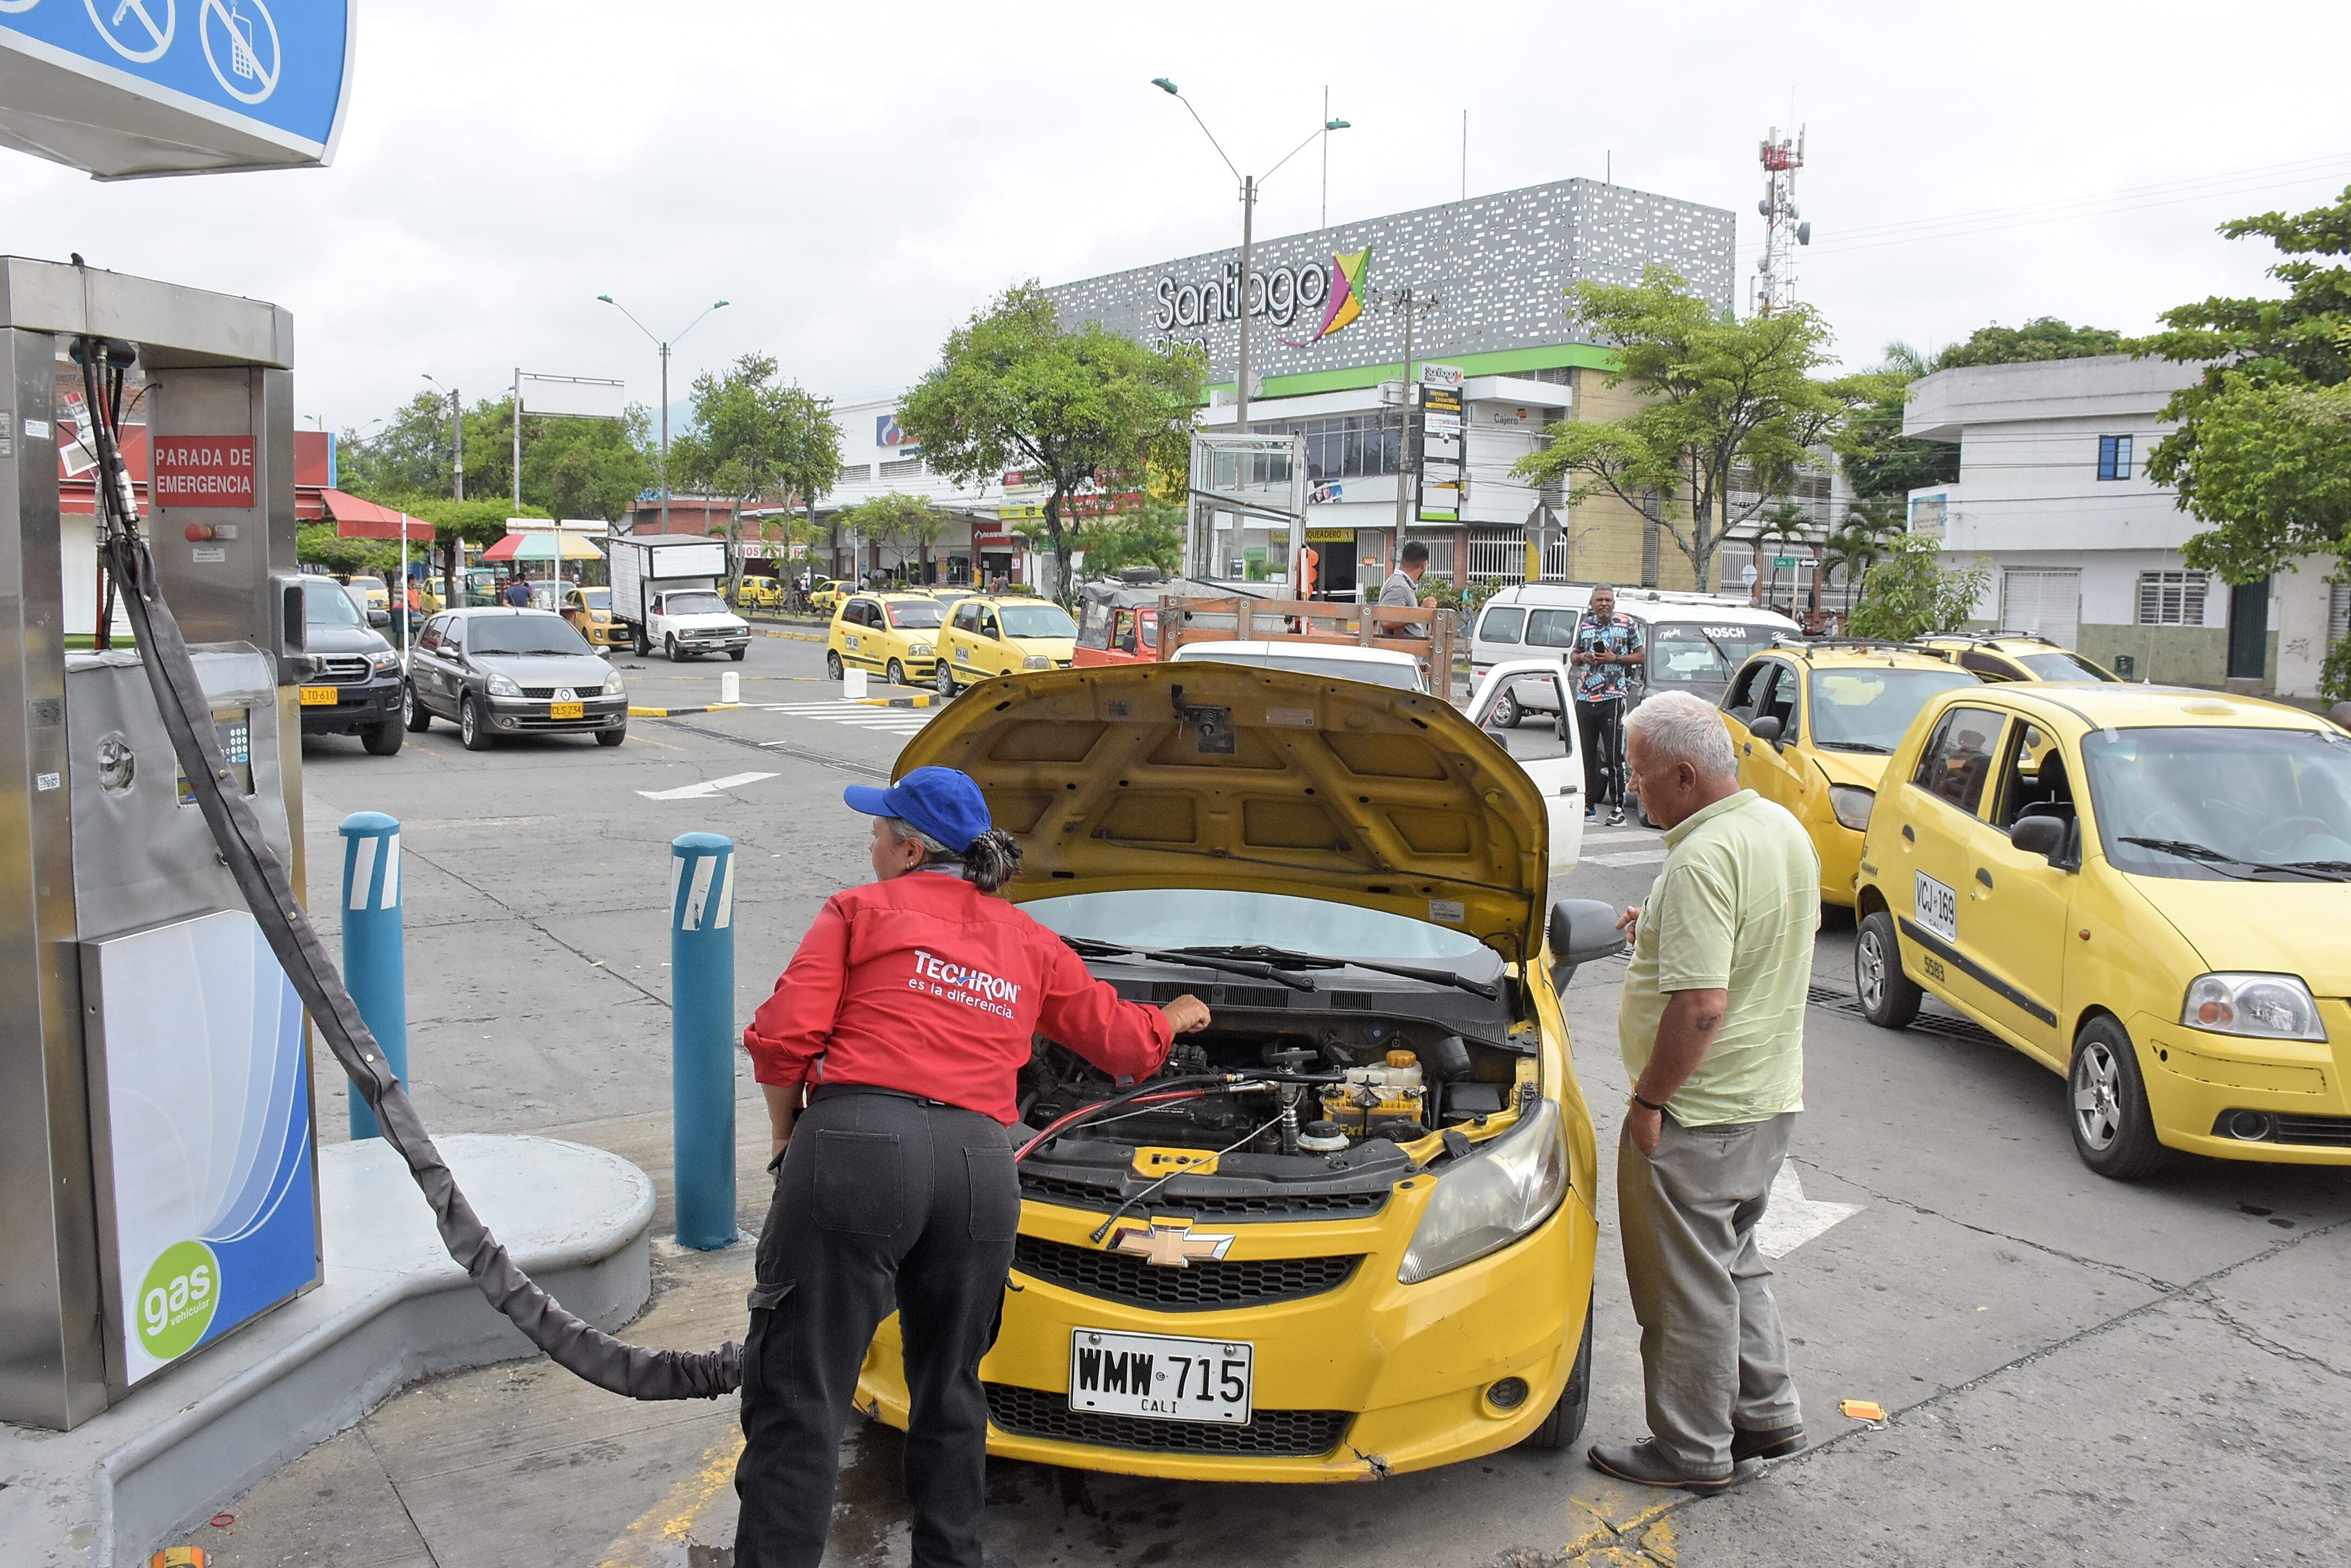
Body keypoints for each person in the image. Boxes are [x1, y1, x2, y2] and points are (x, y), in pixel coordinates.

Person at [735, 766, 1211, 1568]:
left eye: (881, 832)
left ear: (912, 849)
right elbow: (1122, 1044)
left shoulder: (860, 909)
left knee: (802, 1396)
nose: (872, 842)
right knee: (951, 1392)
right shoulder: (1028, 940)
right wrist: (1172, 1018)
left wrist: (786, 1135)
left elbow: (784, 1037)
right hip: (978, 1172)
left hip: (857, 1149)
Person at [1590, 692, 1819, 1495]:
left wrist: (1649, 1103)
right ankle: (1766, 1410)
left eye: (1640, 775)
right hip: (1765, 1099)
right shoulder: (1777, 830)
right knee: (1733, 1262)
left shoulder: (1699, 859)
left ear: (1685, 776)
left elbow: (1700, 1006)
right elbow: (1748, 941)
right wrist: (1656, 926)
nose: (1632, 789)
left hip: (1697, 1112)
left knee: (1684, 1289)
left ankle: (1690, 1451)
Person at [1569, 586, 1645, 826]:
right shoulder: (1586, 625)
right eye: (1600, 600)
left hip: (1612, 697)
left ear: (1614, 603)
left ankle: (1618, 808)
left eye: (1608, 600)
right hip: (1585, 697)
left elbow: (1641, 656)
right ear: (1592, 603)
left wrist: (1616, 659)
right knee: (1586, 755)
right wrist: (1583, 658)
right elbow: (1573, 654)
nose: (1605, 604)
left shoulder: (1627, 624)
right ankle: (1588, 806)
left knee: (1614, 756)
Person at [1375, 540, 1431, 639]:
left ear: (1402, 559)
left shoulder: (1402, 583)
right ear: (1424, 565)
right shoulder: (1400, 587)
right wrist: (1422, 611)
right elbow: (1387, 621)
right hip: (1403, 653)